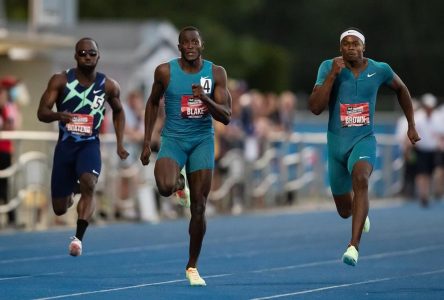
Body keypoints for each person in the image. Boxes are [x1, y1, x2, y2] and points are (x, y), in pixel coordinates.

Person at [308, 27, 420, 266]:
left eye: (355, 43)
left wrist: (411, 124)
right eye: (346, 44)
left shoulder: (380, 69)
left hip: (363, 139)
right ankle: (360, 212)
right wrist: (332, 77)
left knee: (361, 179)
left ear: (363, 47)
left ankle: (353, 246)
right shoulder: (328, 67)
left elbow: (401, 89)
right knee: (344, 210)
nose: (351, 47)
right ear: (340, 48)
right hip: (336, 143)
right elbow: (315, 108)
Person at [140, 26, 231, 286]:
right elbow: (152, 102)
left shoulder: (216, 73)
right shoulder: (165, 71)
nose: (190, 46)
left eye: (195, 42)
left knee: (199, 208)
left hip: (202, 141)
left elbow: (225, 115)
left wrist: (205, 99)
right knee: (164, 186)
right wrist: (147, 142)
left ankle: (192, 266)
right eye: (185, 43)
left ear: (202, 45)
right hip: (174, 140)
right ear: (179, 47)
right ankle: (179, 184)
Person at [37, 37, 128, 256]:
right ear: (76, 56)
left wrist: (119, 142)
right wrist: (59, 115)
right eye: (83, 53)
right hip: (65, 147)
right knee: (60, 208)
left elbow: (119, 111)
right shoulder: (60, 81)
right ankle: (74, 189)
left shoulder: (108, 85)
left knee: (90, 182)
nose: (87, 57)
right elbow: (41, 112)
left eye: (92, 53)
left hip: (89, 145)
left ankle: (78, 238)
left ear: (99, 56)